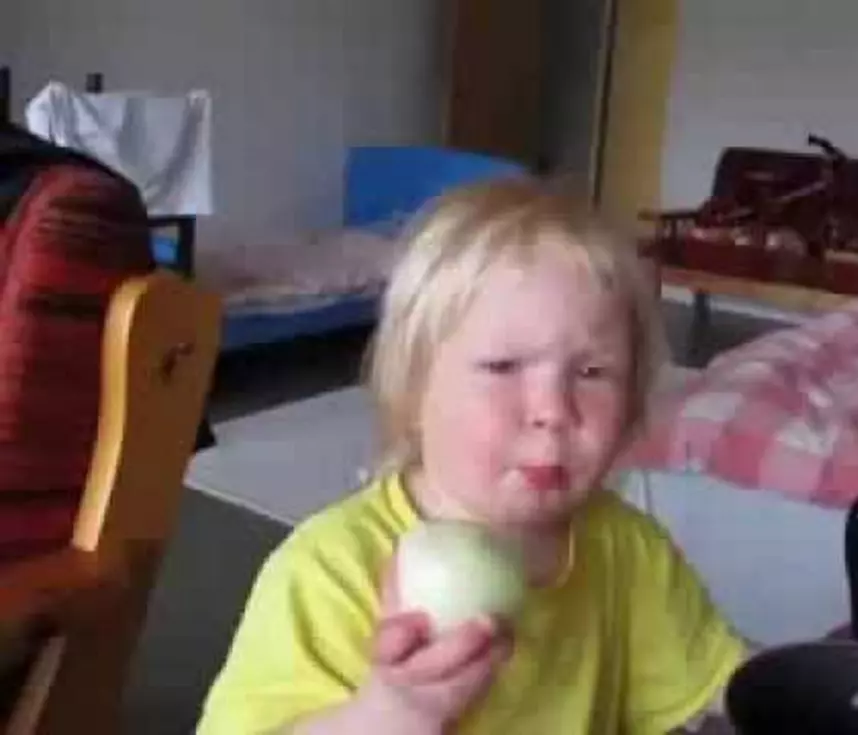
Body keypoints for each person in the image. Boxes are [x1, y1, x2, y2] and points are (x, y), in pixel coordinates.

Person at [197, 178, 750, 734]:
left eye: (592, 373)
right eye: (503, 367)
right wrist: (395, 711)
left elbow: (727, 696)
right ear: (414, 390)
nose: (552, 410)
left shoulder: (630, 551)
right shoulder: (330, 572)